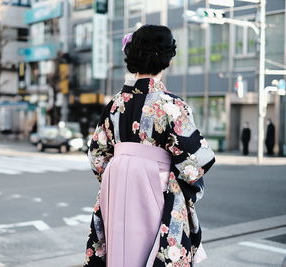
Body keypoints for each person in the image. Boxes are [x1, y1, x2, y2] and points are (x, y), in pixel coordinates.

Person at [84, 25, 215, 267]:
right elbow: (194, 162)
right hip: (155, 182)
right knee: (149, 248)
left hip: (116, 181)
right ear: (167, 60)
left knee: (119, 249)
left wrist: (121, 172)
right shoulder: (171, 105)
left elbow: (96, 155)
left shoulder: (113, 104)